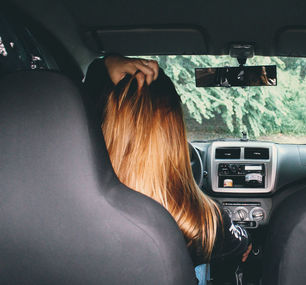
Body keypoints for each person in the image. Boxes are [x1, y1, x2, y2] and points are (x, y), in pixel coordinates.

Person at [83, 55, 251, 283]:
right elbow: (241, 246)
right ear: (174, 133)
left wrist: (103, 63)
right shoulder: (203, 219)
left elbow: (79, 104)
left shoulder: (73, 206)